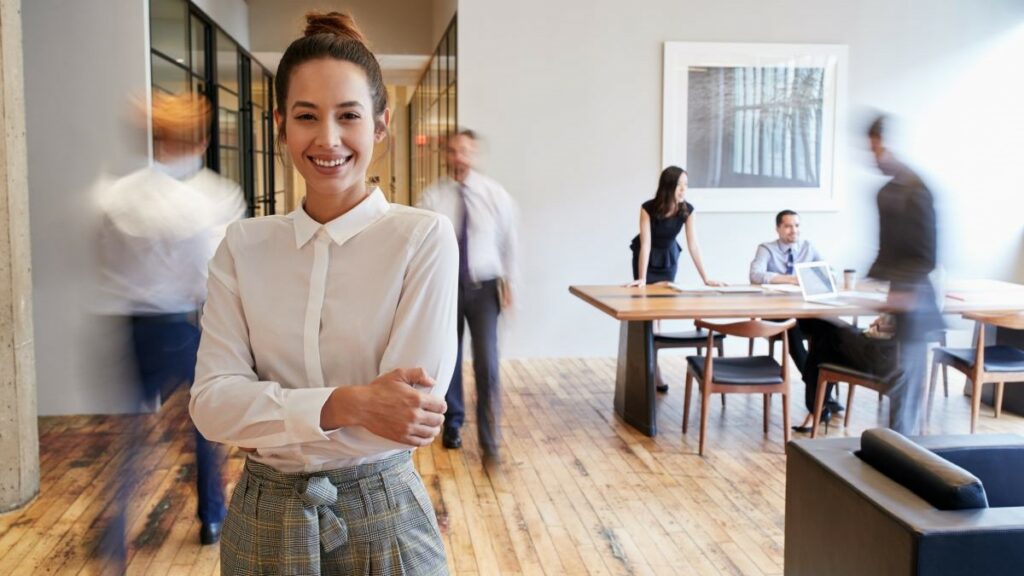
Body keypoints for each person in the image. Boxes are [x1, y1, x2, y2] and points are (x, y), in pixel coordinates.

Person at [189, 12, 457, 575]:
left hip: (384, 513)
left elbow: (411, 413)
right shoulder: (243, 245)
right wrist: (351, 403)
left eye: (349, 116)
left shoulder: (421, 238)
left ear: (380, 125)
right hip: (264, 518)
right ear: (281, 125)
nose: (328, 139)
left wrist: (267, 410)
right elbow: (213, 406)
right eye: (307, 116)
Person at [94, 92, 244, 551]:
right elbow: (214, 272)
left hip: (134, 327)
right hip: (185, 325)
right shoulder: (213, 198)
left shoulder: (115, 196)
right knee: (203, 429)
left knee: (132, 437)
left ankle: (115, 532)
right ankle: (212, 519)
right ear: (200, 141)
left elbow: (105, 262)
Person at [793, 115, 941, 435]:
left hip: (913, 315)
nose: (874, 158)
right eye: (871, 150)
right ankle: (830, 415)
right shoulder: (886, 193)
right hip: (893, 314)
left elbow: (927, 256)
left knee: (904, 404)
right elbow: (886, 252)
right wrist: (868, 288)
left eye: (878, 149)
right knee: (823, 329)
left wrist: (900, 297)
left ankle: (902, 461)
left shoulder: (917, 191)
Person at [418, 129, 518, 464]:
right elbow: (422, 245)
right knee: (449, 358)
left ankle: (490, 440)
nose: (458, 157)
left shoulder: (494, 195)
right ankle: (453, 424)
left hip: (485, 287)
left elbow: (509, 242)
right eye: (452, 151)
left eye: (464, 151)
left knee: (488, 363)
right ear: (445, 155)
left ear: (474, 155)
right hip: (446, 289)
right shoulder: (433, 198)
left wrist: (510, 284)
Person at [749, 210, 840, 411]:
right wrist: (792, 278)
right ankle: (817, 386)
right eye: (789, 226)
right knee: (791, 327)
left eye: (797, 226)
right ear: (778, 228)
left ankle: (821, 386)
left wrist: (820, 276)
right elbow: (755, 275)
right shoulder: (767, 249)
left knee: (830, 326)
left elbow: (829, 272)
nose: (794, 230)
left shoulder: (808, 247)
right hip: (777, 312)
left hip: (805, 310)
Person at [628, 166, 723, 288]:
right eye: (679, 185)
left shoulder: (688, 210)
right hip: (646, 259)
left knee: (667, 295)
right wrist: (642, 278)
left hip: (669, 258)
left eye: (686, 184)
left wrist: (706, 278)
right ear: (667, 186)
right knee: (644, 294)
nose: (683, 189)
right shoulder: (647, 208)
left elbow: (693, 245)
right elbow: (646, 244)